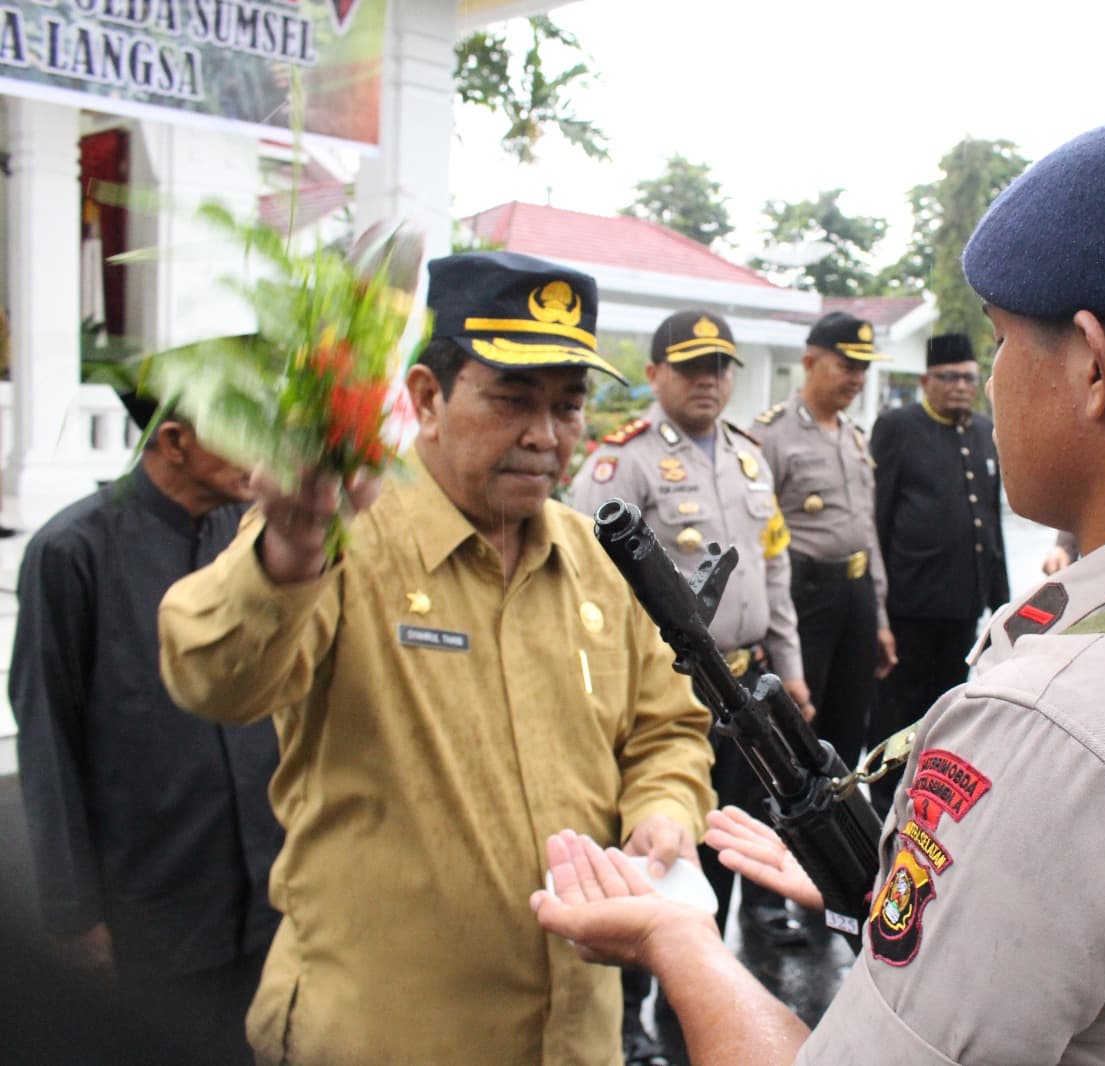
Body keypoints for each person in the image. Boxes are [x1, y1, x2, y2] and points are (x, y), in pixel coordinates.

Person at [531, 108, 1105, 1065]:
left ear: (1094, 367)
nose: (992, 380)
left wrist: (678, 938)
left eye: (1006, 342)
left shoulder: (1056, 728)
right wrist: (921, 889)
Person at [157, 252, 716, 1066]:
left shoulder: (599, 566)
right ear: (426, 398)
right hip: (385, 1036)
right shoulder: (340, 541)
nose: (545, 436)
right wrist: (286, 551)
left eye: (568, 406)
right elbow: (213, 677)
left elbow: (667, 729)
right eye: (512, 400)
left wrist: (663, 812)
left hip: (575, 1035)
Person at [569, 308, 810, 1057]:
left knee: (735, 845)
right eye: (691, 366)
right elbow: (588, 591)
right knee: (661, 859)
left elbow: (773, 567)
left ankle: (707, 1007)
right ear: (653, 375)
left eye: (720, 367)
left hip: (748, 690)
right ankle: (634, 1024)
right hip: (665, 694)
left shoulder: (748, 456)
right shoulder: (622, 464)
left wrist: (791, 669)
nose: (709, 381)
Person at [10, 394, 277, 1065]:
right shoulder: (71, 550)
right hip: (154, 902)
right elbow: (48, 737)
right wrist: (73, 913)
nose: (261, 453)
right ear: (176, 441)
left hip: (261, 892)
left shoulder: (244, 542)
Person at [867, 332, 1007, 814]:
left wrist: (1001, 601)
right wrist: (878, 610)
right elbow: (877, 519)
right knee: (896, 714)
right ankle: (886, 805)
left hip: (962, 607)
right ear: (926, 380)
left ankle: (931, 803)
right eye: (948, 377)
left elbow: (990, 522)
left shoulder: (982, 431)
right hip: (908, 607)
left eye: (969, 377)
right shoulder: (898, 427)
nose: (960, 387)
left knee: (949, 712)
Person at [756, 311, 896, 776]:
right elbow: (756, 537)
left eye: (863, 368)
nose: (857, 378)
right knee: (797, 727)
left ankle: (839, 831)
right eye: (847, 366)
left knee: (849, 722)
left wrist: (877, 616)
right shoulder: (771, 435)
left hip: (855, 597)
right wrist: (765, 626)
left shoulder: (856, 437)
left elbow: (867, 532)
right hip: (805, 595)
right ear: (810, 361)